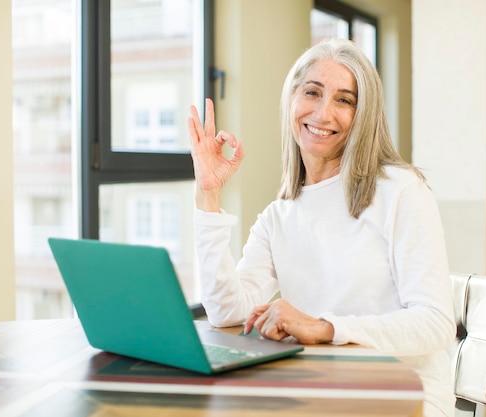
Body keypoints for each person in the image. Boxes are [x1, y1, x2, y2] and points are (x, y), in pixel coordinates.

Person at [188, 38, 456, 417]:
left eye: (345, 100)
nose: (324, 113)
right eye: (312, 92)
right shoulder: (278, 216)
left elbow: (436, 324)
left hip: (405, 396)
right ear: (291, 101)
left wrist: (326, 328)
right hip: (319, 388)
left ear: (364, 114)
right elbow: (226, 311)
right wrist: (208, 194)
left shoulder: (401, 191)